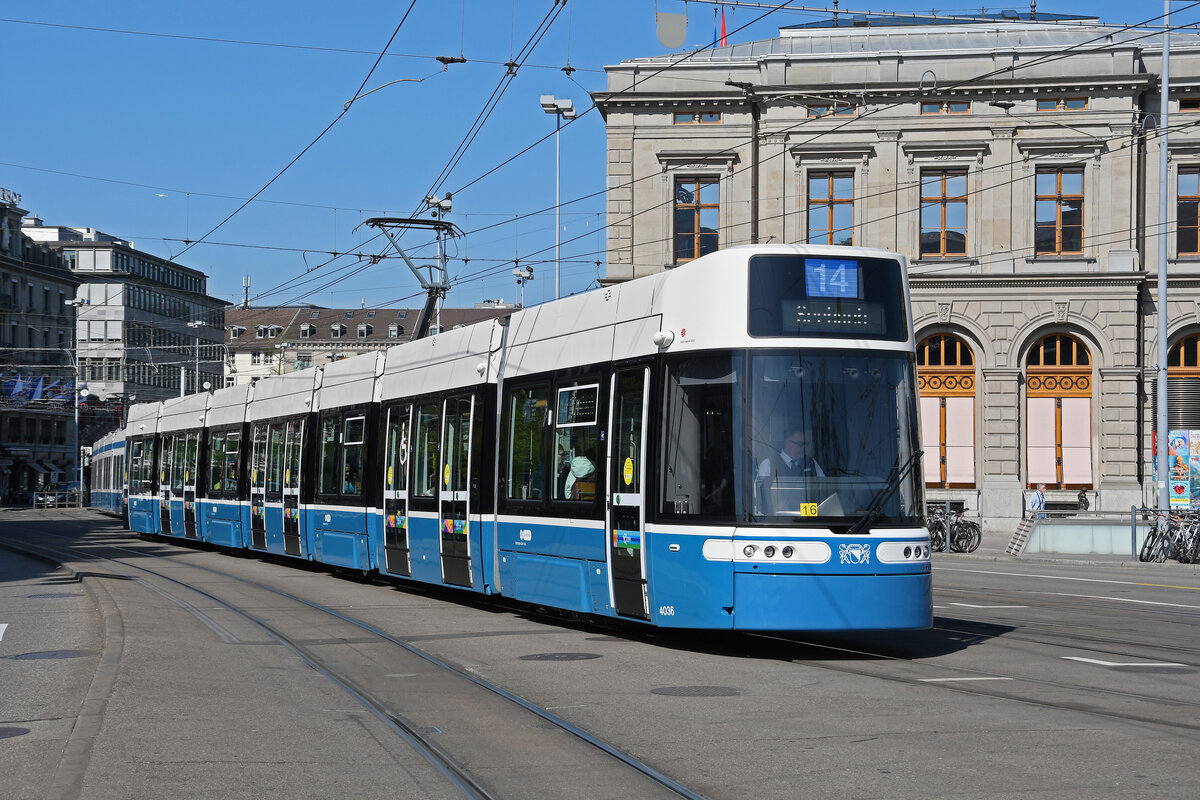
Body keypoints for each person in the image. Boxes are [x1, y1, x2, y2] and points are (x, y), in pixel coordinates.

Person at [758, 427, 825, 486]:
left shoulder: (811, 463)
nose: (804, 448)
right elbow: (760, 490)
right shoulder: (769, 464)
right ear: (787, 443)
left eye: (806, 444)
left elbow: (824, 486)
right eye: (800, 444)